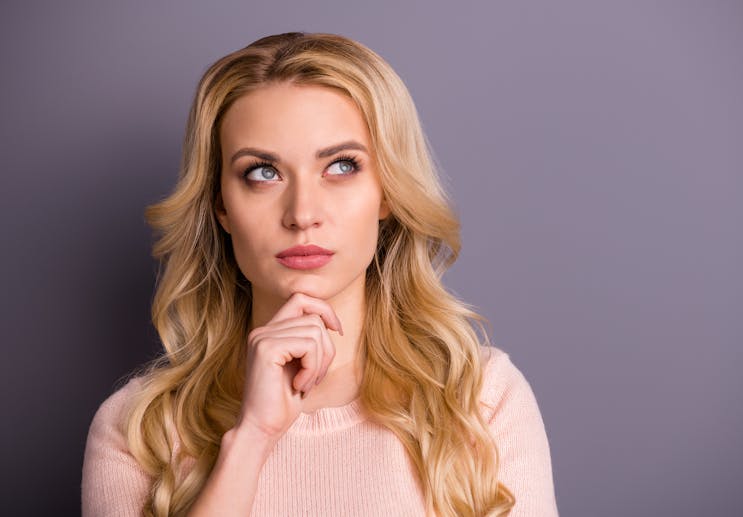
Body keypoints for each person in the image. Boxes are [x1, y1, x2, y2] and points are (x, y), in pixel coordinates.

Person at [81, 32, 559, 517]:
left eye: (341, 166)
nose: (303, 213)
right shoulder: (138, 430)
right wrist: (252, 439)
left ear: (388, 192)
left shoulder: (480, 399)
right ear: (220, 205)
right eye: (263, 172)